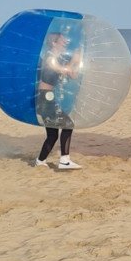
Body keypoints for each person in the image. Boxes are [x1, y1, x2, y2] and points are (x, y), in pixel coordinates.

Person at [34, 32, 83, 169]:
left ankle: (40, 161)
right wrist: (73, 60)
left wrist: (78, 60)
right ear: (54, 43)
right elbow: (62, 69)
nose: (65, 42)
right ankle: (64, 160)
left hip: (48, 98)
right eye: (62, 41)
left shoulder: (59, 58)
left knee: (52, 135)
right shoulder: (50, 57)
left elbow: (73, 75)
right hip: (45, 98)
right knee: (68, 125)